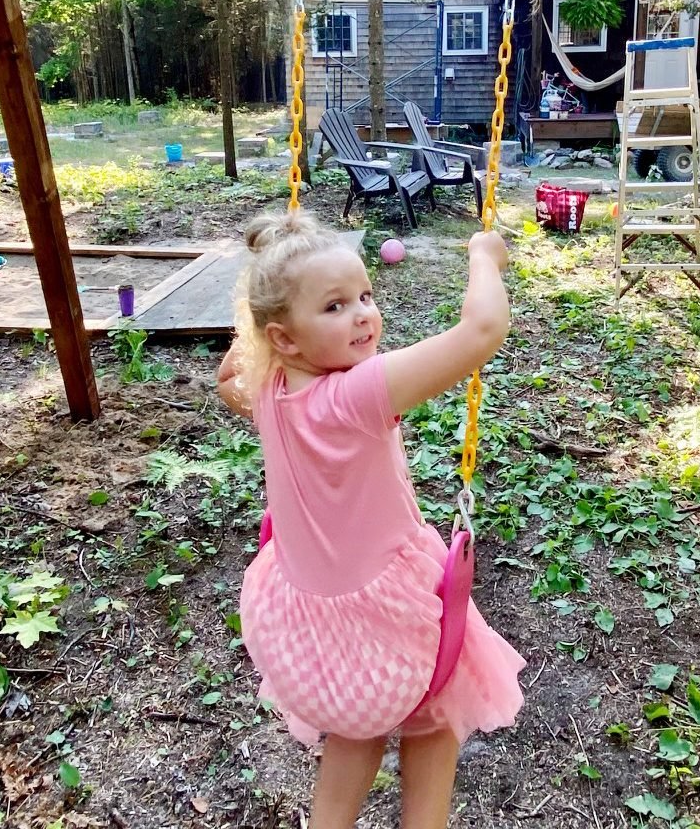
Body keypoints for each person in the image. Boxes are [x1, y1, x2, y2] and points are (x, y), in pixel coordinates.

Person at [216, 210, 524, 829]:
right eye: (334, 307)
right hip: (383, 630)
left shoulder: (264, 387)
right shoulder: (353, 397)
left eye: (364, 296)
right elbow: (482, 329)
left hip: (309, 641)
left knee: (360, 731)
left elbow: (230, 371)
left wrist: (268, 316)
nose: (361, 314)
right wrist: (485, 256)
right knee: (437, 712)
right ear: (285, 337)